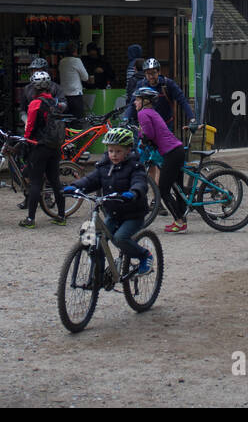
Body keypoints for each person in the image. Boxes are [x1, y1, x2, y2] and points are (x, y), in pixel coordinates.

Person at [62, 126, 153, 274]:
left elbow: (140, 182)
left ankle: (144, 255)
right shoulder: (104, 167)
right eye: (111, 151)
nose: (114, 155)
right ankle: (98, 274)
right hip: (113, 213)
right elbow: (90, 180)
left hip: (133, 214)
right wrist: (74, 187)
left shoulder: (135, 166)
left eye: (118, 151)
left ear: (128, 151)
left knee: (119, 238)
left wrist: (133, 192)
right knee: (94, 239)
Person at [132, 85, 188, 233]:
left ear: (145, 101)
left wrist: (142, 142)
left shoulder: (143, 114)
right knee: (178, 187)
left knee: (162, 189)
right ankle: (182, 216)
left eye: (137, 99)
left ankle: (180, 221)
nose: (135, 102)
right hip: (177, 150)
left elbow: (149, 134)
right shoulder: (151, 112)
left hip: (171, 153)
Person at [20, 69, 66, 228]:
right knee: (55, 181)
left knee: (36, 183)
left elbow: (30, 126)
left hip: (39, 146)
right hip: (54, 146)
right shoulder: (55, 102)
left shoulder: (35, 103)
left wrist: (25, 140)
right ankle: (61, 216)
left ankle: (30, 219)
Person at [136, 57, 195, 133]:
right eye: (148, 73)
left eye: (153, 73)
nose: (151, 76)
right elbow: (133, 103)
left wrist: (192, 118)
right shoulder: (141, 85)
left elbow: (182, 101)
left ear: (159, 72)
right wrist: (126, 117)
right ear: (145, 74)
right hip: (148, 125)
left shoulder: (168, 84)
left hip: (165, 124)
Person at [59, 51, 91, 119]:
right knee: (78, 118)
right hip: (75, 93)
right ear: (74, 52)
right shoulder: (76, 61)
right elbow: (85, 77)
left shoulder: (61, 61)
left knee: (67, 119)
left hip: (64, 94)